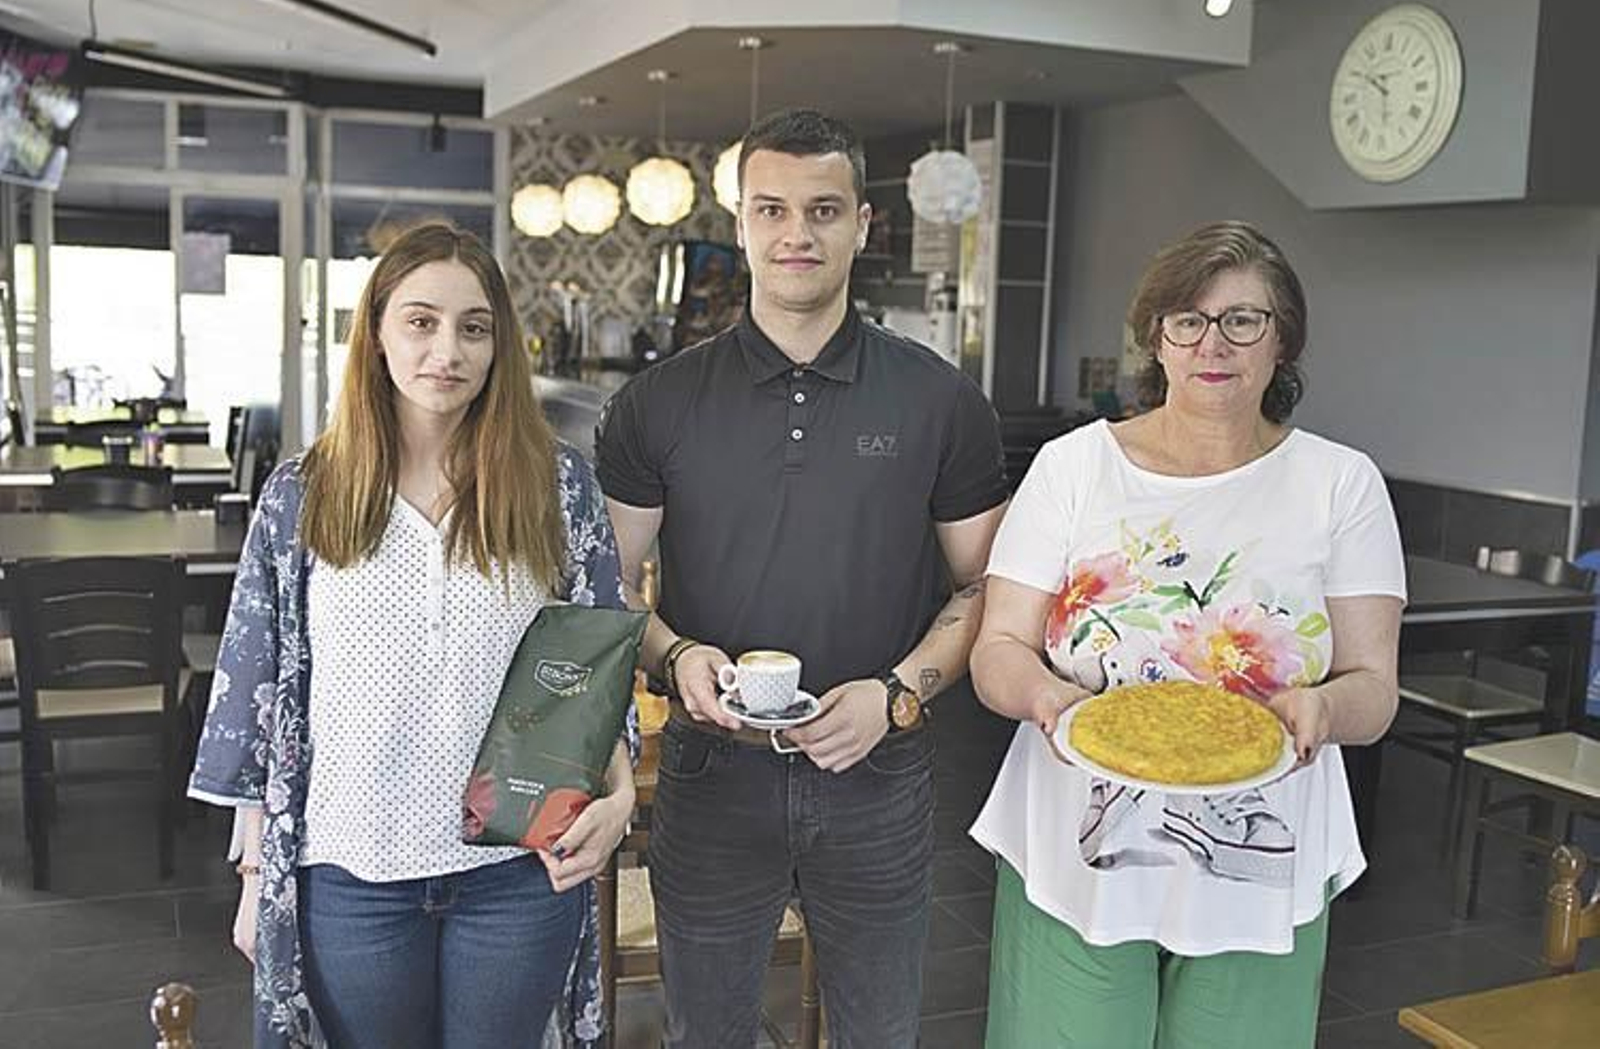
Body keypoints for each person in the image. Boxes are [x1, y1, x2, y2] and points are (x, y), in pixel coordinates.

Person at [596, 108, 1009, 1048]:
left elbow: (985, 588)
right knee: (708, 1033)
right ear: (739, 224)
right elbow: (612, 584)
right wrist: (676, 655)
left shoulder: (941, 399)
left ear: (864, 225)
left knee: (879, 1032)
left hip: (881, 774)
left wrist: (897, 695)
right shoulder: (657, 403)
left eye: (824, 210)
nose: (797, 234)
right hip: (710, 772)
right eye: (771, 209)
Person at [187, 223, 638, 1049]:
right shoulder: (305, 492)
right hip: (351, 872)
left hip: (516, 870)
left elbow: (597, 661)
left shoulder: (556, 483)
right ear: (379, 332)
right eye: (421, 321)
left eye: (474, 326)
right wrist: (256, 876)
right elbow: (261, 694)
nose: (448, 350)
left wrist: (620, 797)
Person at [968, 220, 1405, 1048]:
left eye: (1245, 319)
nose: (1215, 342)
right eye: (1189, 319)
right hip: (1077, 839)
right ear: (1156, 338)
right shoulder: (1073, 466)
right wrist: (1049, 698)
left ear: (1283, 344)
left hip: (1261, 846)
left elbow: (1373, 687)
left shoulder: (1339, 485)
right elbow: (998, 650)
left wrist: (1323, 710)